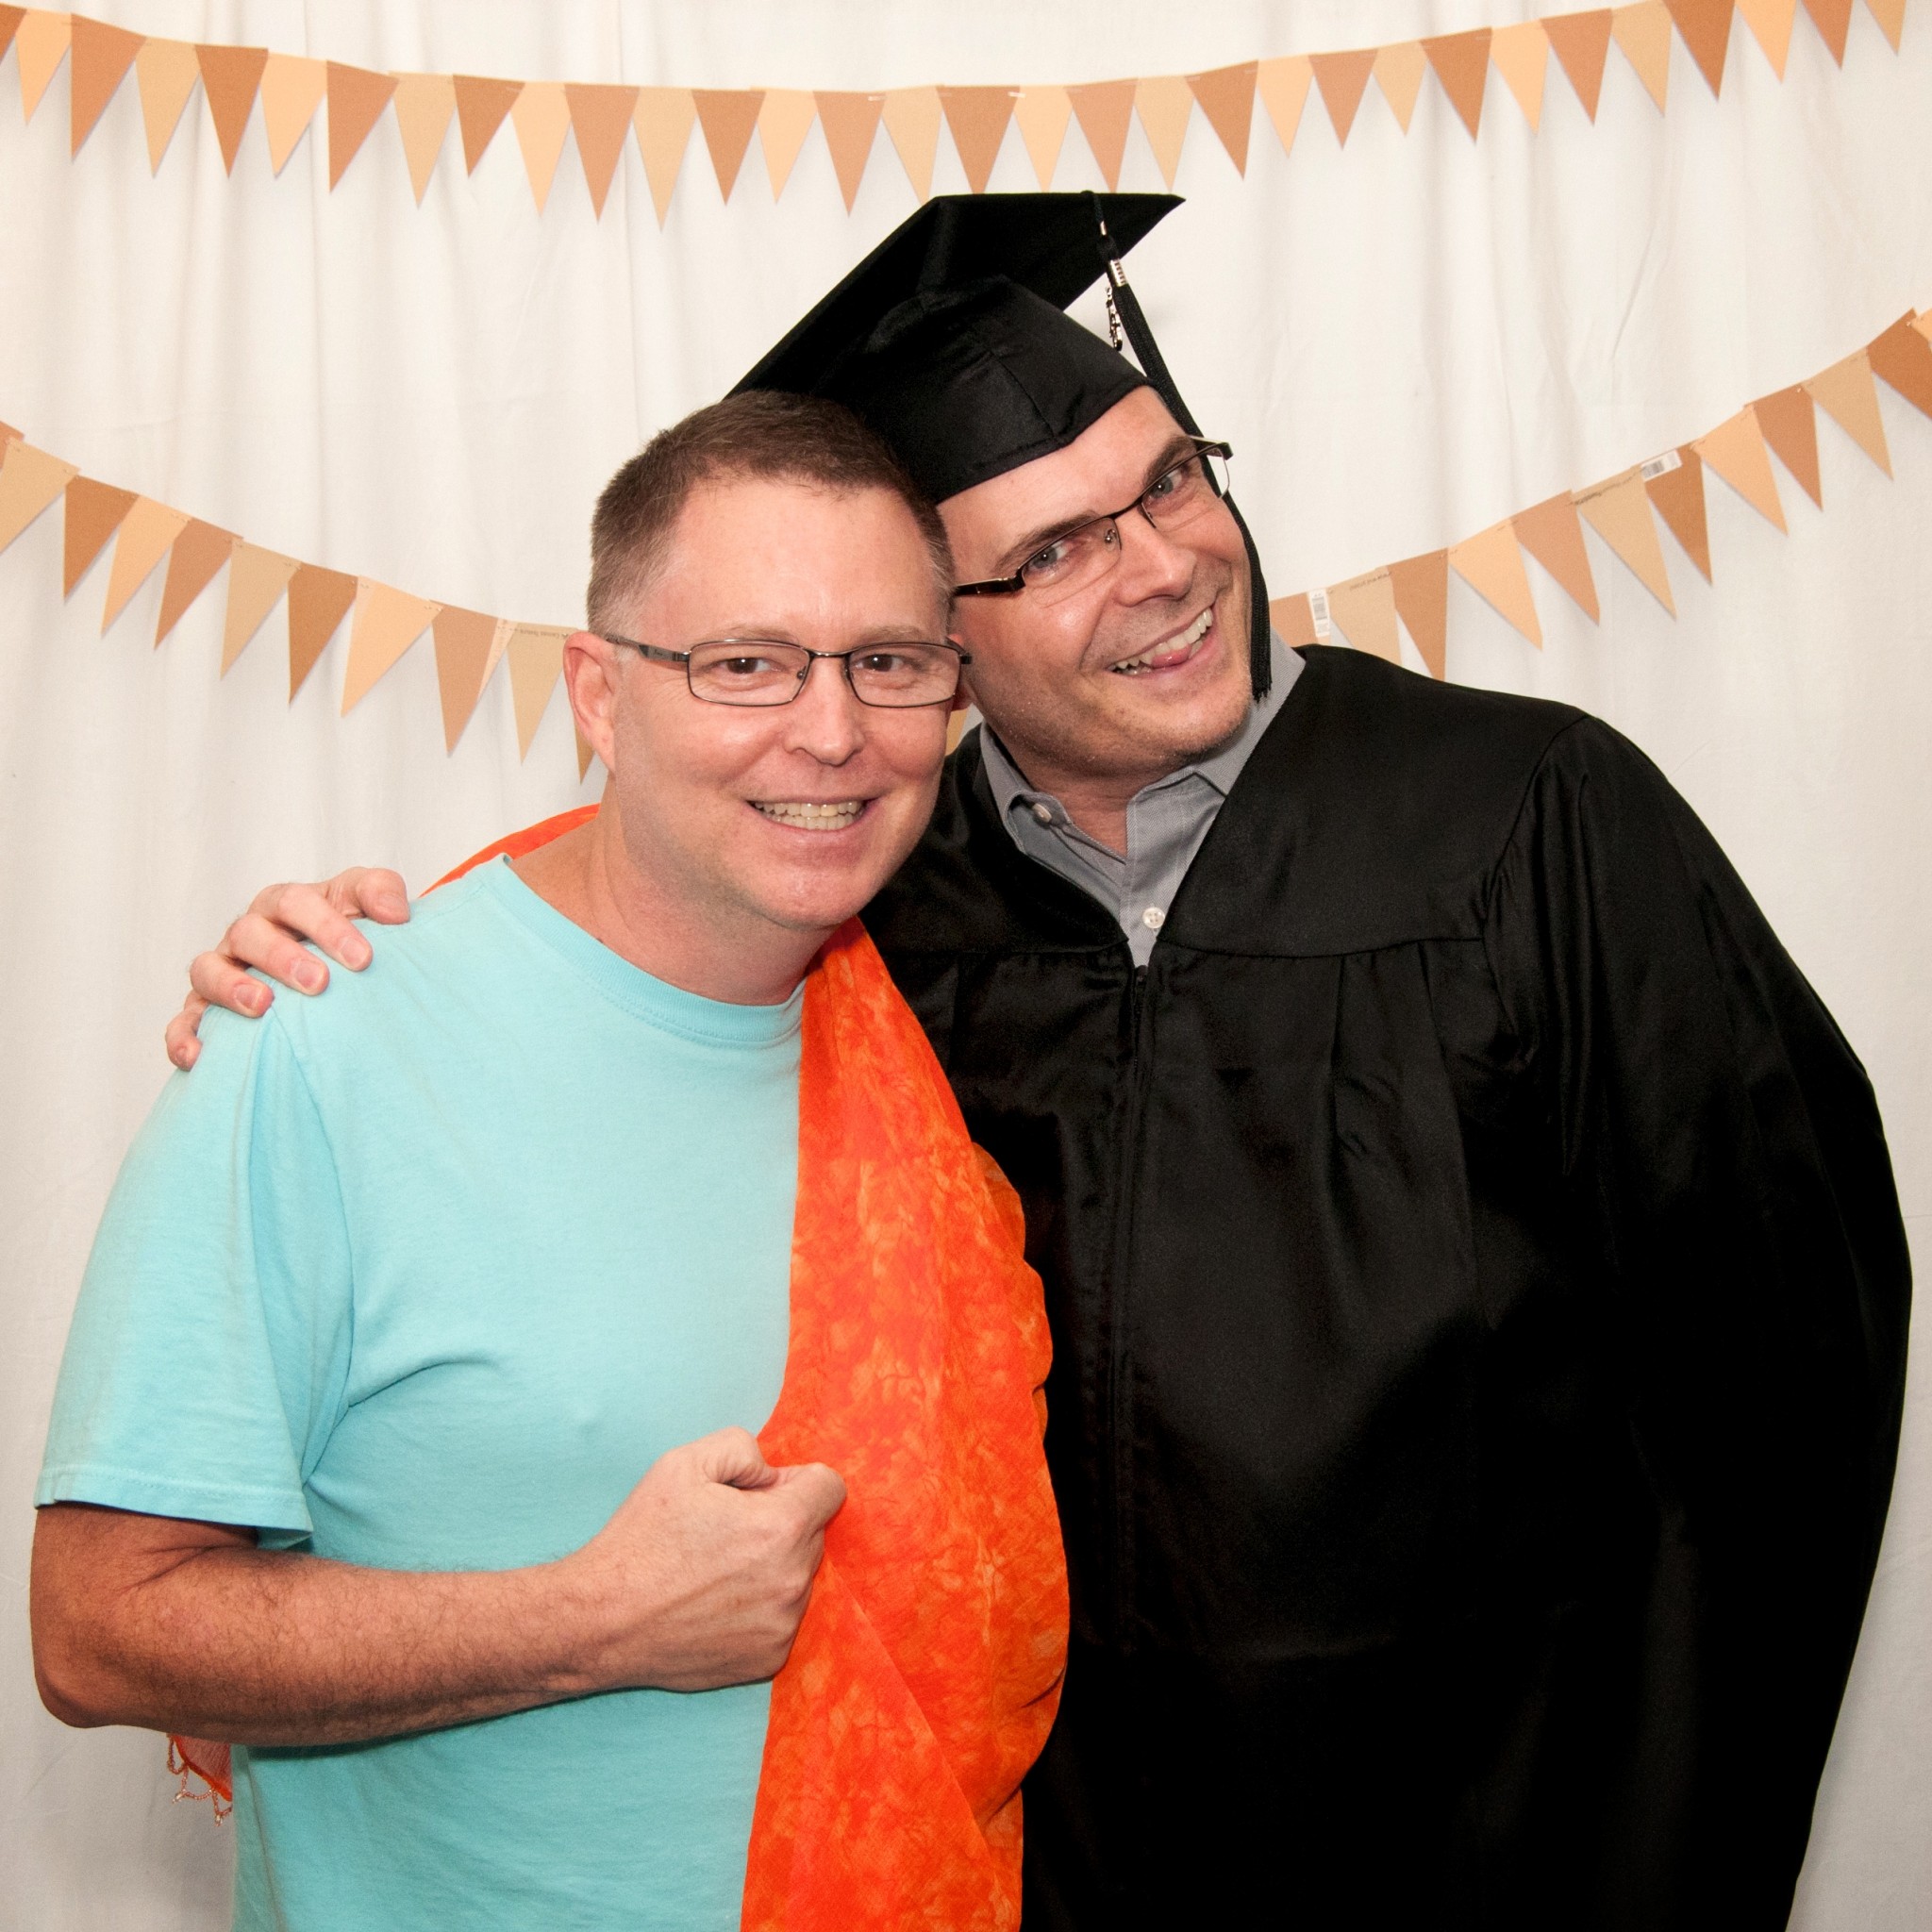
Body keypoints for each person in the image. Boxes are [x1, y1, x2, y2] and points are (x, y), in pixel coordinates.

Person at [165, 194, 1912, 1930]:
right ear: (938, 654)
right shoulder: (860, 908)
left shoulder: (1529, 822)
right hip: (1026, 1869)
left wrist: (1655, 1862)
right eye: (1054, 551)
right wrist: (345, 975)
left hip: (1484, 1845)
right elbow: (600, 992)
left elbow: (1780, 1388)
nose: (1161, 563)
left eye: (1168, 480)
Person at [33, 391, 1066, 1932]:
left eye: (891, 664)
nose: (833, 728)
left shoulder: (944, 1050)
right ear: (598, 692)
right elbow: (97, 1633)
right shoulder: (320, 1040)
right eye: (746, 663)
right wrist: (597, 1619)